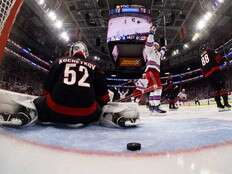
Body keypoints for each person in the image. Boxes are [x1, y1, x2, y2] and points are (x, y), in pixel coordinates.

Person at [0, 41, 140, 128]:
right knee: (101, 106)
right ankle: (111, 116)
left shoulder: (60, 61)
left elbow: (46, 89)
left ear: (72, 52)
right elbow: (104, 98)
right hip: (87, 116)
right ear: (85, 53)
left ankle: (28, 114)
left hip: (54, 112)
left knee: (37, 101)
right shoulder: (95, 67)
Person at [199, 44, 231, 109]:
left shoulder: (200, 58)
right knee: (222, 87)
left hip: (208, 76)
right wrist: (225, 60)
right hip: (215, 72)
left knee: (216, 90)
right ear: (206, 48)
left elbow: (201, 69)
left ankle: (219, 105)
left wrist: (205, 76)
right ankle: (226, 104)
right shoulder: (210, 51)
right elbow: (218, 57)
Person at [143, 26, 167, 113]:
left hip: (156, 72)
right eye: (155, 44)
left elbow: (163, 52)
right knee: (158, 88)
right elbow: (149, 42)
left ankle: (152, 106)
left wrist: (164, 46)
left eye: (158, 45)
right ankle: (156, 106)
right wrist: (151, 33)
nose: (157, 46)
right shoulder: (150, 50)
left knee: (154, 89)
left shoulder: (158, 54)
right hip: (151, 71)